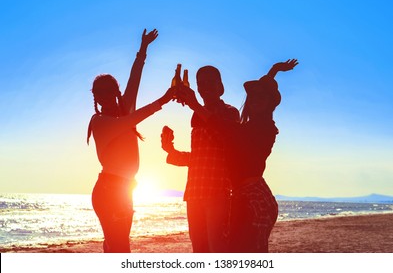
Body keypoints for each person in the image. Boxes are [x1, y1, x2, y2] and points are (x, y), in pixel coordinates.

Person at [178, 59, 298, 252]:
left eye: (262, 98)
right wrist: (273, 71)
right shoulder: (250, 125)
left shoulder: (261, 128)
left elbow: (222, 127)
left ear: (271, 104)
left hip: (252, 198)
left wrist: (193, 104)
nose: (255, 100)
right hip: (245, 196)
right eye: (252, 97)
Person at [87, 29, 174, 253]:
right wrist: (164, 99)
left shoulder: (125, 108)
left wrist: (143, 48)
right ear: (95, 97)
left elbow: (135, 78)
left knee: (115, 247)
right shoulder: (100, 122)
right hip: (109, 191)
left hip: (124, 189)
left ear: (116, 91)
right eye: (99, 94)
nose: (104, 97)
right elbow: (134, 119)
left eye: (109, 91)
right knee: (120, 248)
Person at [161, 66, 240, 252]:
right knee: (200, 251)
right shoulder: (197, 114)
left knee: (218, 249)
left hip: (218, 192)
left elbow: (227, 142)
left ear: (220, 86)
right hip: (194, 192)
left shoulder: (230, 113)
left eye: (209, 81)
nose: (205, 86)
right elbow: (199, 158)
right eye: (200, 83)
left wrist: (194, 105)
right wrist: (169, 149)